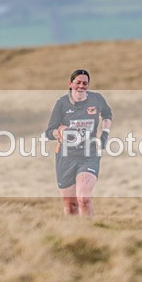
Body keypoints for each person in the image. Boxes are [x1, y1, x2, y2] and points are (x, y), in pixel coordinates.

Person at [45, 69, 112, 216]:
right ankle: (74, 235)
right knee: (70, 205)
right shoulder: (62, 104)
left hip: (89, 155)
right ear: (70, 83)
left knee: (83, 198)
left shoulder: (97, 99)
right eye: (78, 83)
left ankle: (90, 234)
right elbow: (49, 133)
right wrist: (60, 132)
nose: (81, 86)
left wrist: (105, 134)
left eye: (85, 83)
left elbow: (107, 114)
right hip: (66, 157)